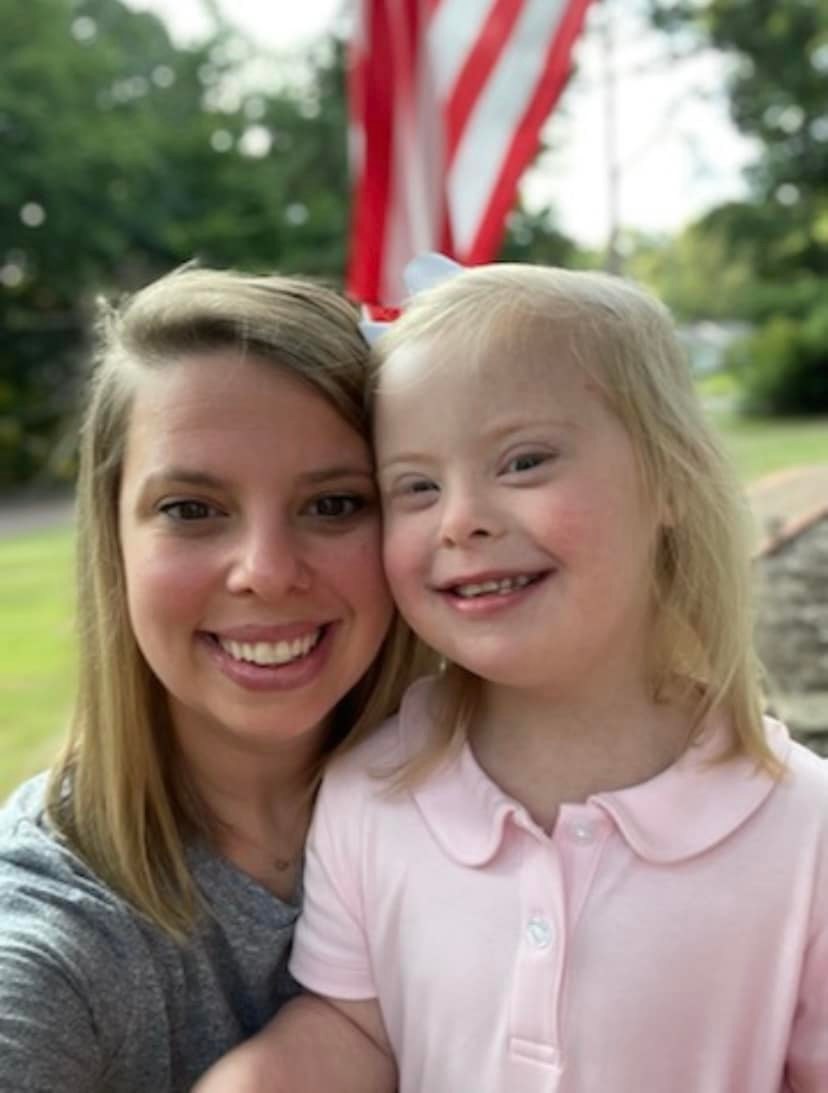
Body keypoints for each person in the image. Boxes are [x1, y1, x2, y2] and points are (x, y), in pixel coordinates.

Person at [197, 260, 828, 1093]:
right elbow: (355, 1025)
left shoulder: (804, 830)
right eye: (417, 486)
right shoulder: (371, 791)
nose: (460, 519)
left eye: (524, 462)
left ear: (670, 476)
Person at [0, 266, 431, 1092]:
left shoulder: (521, 801)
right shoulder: (53, 928)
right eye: (191, 509)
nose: (265, 571)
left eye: (334, 504)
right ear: (113, 542)